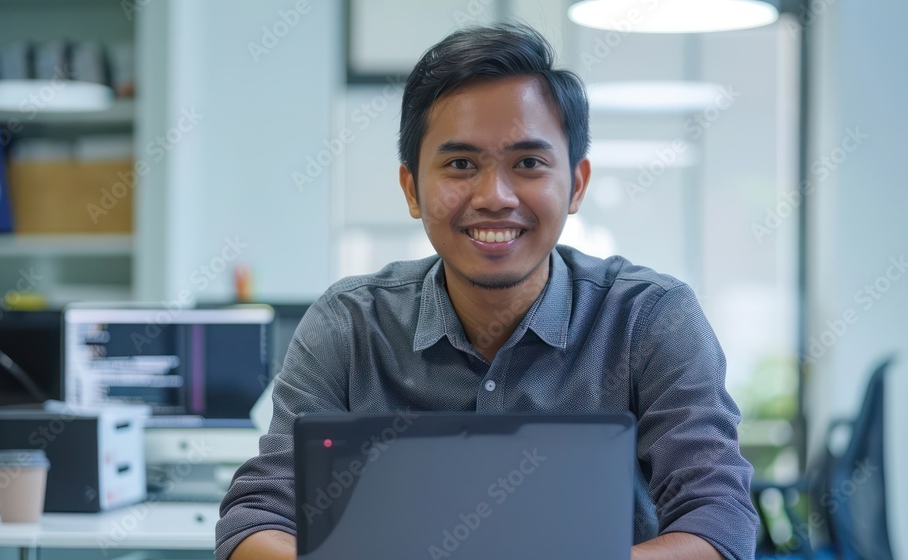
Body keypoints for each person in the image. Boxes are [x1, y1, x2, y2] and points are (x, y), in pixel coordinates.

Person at [217, 23, 758, 560]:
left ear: (577, 183)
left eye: (528, 163)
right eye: (460, 165)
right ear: (411, 188)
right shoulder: (349, 324)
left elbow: (719, 524)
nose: (495, 196)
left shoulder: (650, 318)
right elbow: (255, 519)